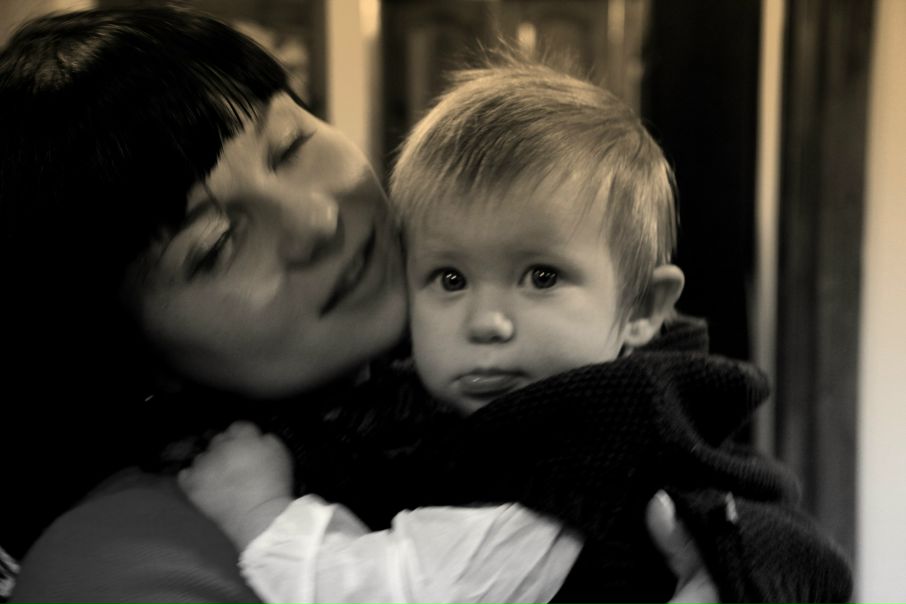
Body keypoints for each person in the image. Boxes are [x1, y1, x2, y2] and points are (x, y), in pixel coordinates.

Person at [1, 8, 713, 604]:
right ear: (135, 354)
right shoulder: (116, 570)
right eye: (216, 245)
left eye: (290, 145)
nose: (317, 220)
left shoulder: (563, 385)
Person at [181, 60, 854, 604]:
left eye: (541, 276)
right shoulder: (467, 404)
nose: (486, 322)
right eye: (450, 279)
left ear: (644, 307)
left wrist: (259, 510)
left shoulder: (578, 439)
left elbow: (396, 590)